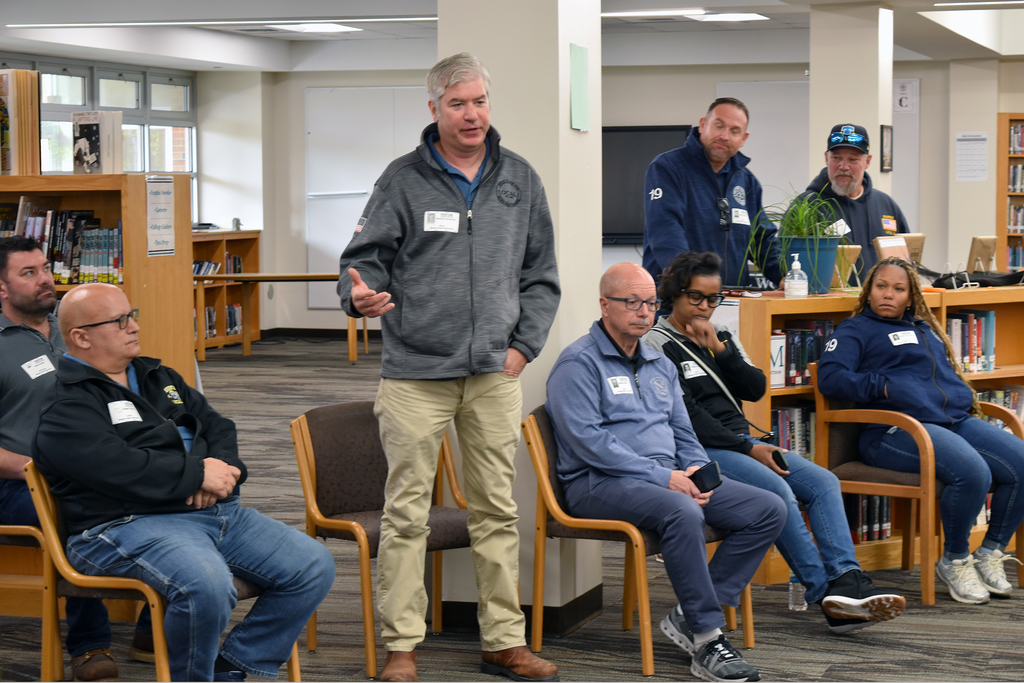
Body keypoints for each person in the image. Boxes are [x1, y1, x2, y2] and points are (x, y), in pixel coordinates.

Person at [337, 53, 560, 683]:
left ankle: (503, 640)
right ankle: (402, 647)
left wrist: (522, 349)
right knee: (405, 514)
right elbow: (362, 262)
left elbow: (541, 276)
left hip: (493, 375)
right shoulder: (402, 179)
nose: (472, 115)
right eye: (458, 103)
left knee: (497, 510)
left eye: (480, 101)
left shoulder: (519, 178)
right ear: (433, 108)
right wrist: (358, 295)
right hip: (414, 376)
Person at [32, 283, 336, 681]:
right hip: (124, 525)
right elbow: (119, 467)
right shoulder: (65, 403)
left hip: (210, 510)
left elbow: (217, 425)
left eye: (132, 314)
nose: (134, 326)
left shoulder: (157, 375)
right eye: (120, 320)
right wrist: (196, 475)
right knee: (206, 586)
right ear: (81, 337)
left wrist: (223, 470)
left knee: (313, 565)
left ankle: (235, 668)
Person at [545, 262, 785, 682]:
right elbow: (590, 443)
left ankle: (690, 616)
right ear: (605, 305)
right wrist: (665, 479)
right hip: (596, 483)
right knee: (682, 510)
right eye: (632, 302)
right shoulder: (577, 364)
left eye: (651, 302)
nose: (644, 311)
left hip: (666, 479)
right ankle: (707, 637)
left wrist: (695, 468)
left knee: (768, 507)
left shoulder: (660, 363)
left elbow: (682, 429)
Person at [642, 251, 906, 633]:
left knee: (823, 482)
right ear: (675, 294)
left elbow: (756, 387)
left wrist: (721, 351)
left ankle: (847, 580)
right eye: (695, 297)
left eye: (713, 299)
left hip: (742, 442)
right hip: (703, 451)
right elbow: (687, 417)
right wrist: (749, 447)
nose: (704, 307)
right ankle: (826, 593)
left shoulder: (722, 338)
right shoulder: (657, 344)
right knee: (778, 492)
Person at [817, 257, 1024, 604]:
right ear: (869, 292)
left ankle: (990, 551)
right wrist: (881, 387)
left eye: (899, 289)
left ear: (911, 297)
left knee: (1020, 463)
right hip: (893, 432)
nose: (888, 294)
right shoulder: (854, 330)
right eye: (881, 286)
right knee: (972, 471)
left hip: (951, 421)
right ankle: (955, 558)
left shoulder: (924, 329)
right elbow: (830, 377)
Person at [0, 236, 153, 680]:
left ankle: (150, 626)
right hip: (19, 482)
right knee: (79, 513)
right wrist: (34, 469)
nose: (46, 279)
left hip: (91, 466)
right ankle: (89, 646)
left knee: (163, 492)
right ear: (2, 289)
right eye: (29, 273)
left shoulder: (75, 328)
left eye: (45, 268)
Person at [643, 97, 780, 302]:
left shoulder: (748, 181)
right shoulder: (668, 168)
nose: (724, 136)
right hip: (677, 301)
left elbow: (763, 240)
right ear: (702, 125)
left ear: (744, 138)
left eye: (734, 131)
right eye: (719, 126)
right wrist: (690, 283)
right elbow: (665, 230)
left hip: (731, 303)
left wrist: (786, 276)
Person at [797, 124, 909, 277]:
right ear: (826, 158)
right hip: (827, 300)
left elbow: (907, 263)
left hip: (880, 300)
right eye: (836, 158)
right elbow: (785, 260)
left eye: (853, 159)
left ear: (867, 161)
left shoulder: (886, 205)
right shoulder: (806, 206)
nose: (844, 166)